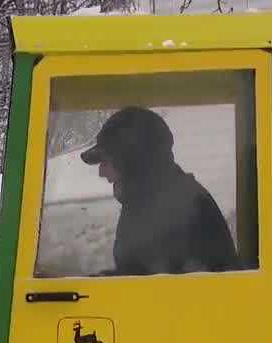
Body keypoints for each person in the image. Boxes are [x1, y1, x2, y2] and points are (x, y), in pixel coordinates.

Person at [80, 106, 241, 276]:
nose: (101, 172)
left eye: (106, 161)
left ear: (133, 160)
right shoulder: (149, 201)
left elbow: (154, 285)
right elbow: (141, 276)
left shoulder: (177, 208)